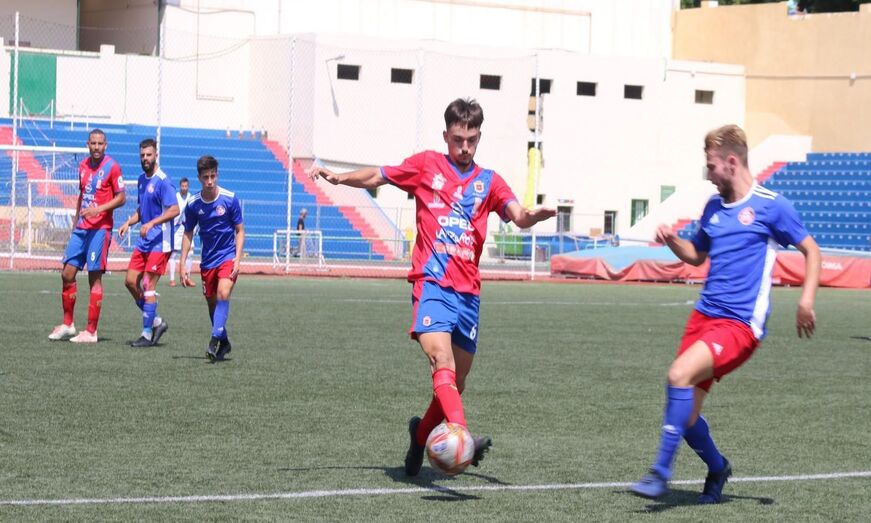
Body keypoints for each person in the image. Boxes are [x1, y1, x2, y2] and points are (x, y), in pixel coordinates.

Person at [307, 98, 556, 476]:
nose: (465, 147)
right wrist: (341, 178)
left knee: (456, 382)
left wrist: (530, 216)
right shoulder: (426, 165)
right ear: (446, 136)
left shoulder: (489, 181)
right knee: (442, 362)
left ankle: (420, 435)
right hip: (431, 283)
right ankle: (463, 435)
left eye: (472, 139)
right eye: (458, 139)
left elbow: (516, 214)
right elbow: (380, 175)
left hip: (468, 293)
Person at [630, 125, 821, 504]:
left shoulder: (771, 205)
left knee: (678, 375)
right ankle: (718, 468)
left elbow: (811, 251)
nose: (708, 175)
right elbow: (697, 255)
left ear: (731, 163)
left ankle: (659, 474)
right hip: (704, 317)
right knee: (683, 415)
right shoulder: (714, 207)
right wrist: (672, 241)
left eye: (711, 167)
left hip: (739, 325)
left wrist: (806, 301)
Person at [49, 129, 126, 343]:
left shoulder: (113, 167)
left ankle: (91, 331)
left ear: (106, 145)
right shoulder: (82, 166)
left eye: (100, 143)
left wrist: (98, 209)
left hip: (100, 229)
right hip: (82, 228)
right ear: (87, 144)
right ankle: (68, 324)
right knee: (67, 274)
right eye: (93, 143)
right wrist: (75, 223)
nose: (96, 147)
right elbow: (82, 195)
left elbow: (121, 198)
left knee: (94, 278)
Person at [180, 155, 245, 362]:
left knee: (223, 293)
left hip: (227, 257)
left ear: (217, 175)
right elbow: (188, 233)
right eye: (206, 177)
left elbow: (240, 230)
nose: (210, 181)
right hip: (207, 261)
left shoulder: (229, 198)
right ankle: (224, 341)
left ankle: (215, 338)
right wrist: (182, 264)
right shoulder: (193, 204)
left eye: (213, 176)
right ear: (199, 178)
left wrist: (238, 259)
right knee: (211, 303)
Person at [118, 138, 179, 348]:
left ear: (156, 155)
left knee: (147, 283)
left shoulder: (163, 181)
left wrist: (151, 222)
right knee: (129, 281)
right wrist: (129, 222)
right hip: (144, 240)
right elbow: (141, 210)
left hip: (160, 241)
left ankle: (146, 334)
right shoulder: (142, 180)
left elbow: (174, 209)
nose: (145, 158)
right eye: (142, 155)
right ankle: (156, 322)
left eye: (149, 155)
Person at [167, 177, 195, 286]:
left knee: (190, 253)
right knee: (173, 254)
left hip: (187, 228)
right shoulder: (175, 197)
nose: (184, 188)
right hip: (176, 228)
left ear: (188, 187)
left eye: (186, 186)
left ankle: (187, 277)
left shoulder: (191, 198)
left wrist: (195, 227)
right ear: (180, 187)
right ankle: (172, 279)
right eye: (182, 186)